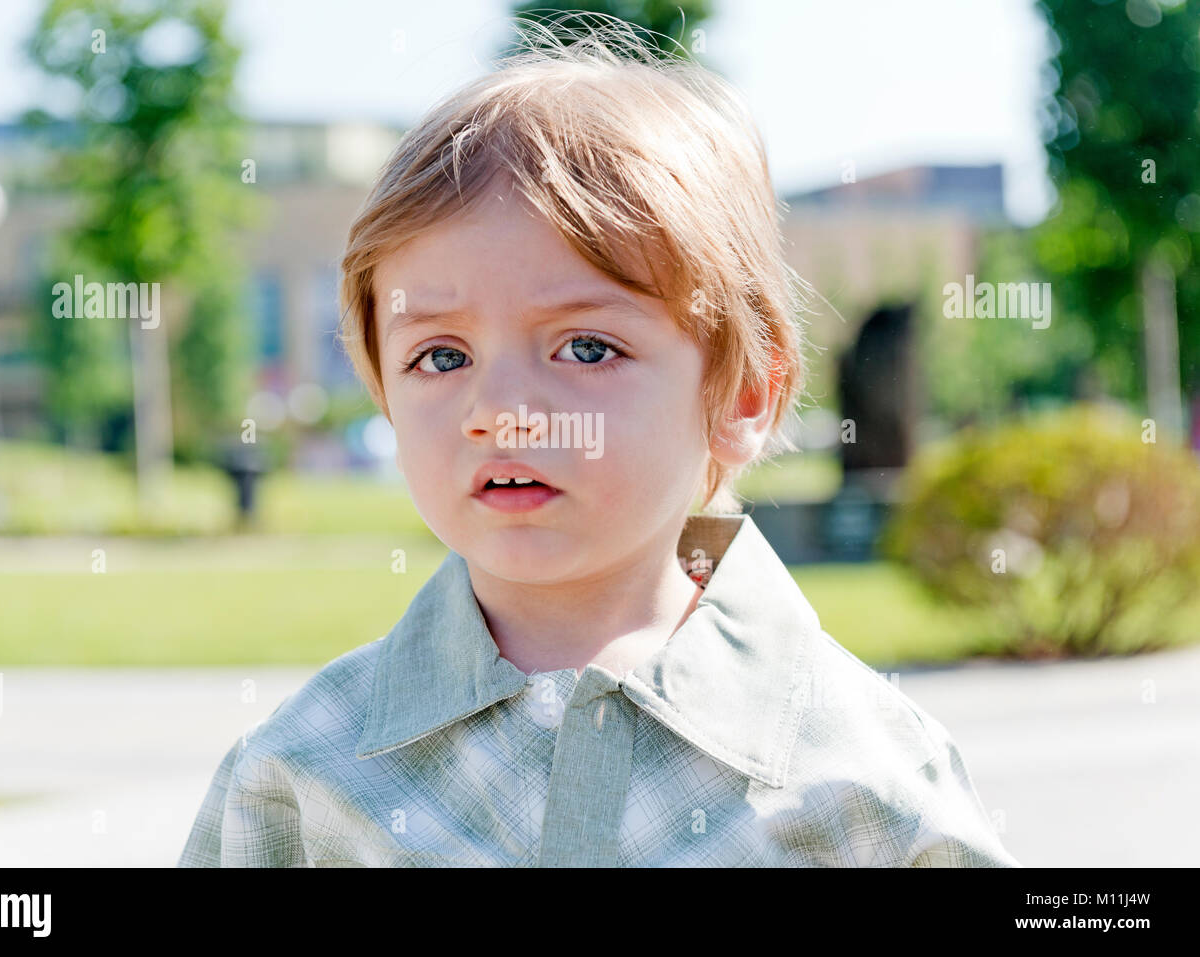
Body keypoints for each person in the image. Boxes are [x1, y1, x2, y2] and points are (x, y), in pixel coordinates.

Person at [178, 15, 1019, 868]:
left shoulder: (866, 779)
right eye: (440, 355)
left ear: (744, 394)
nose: (500, 411)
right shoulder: (301, 776)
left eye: (586, 347)